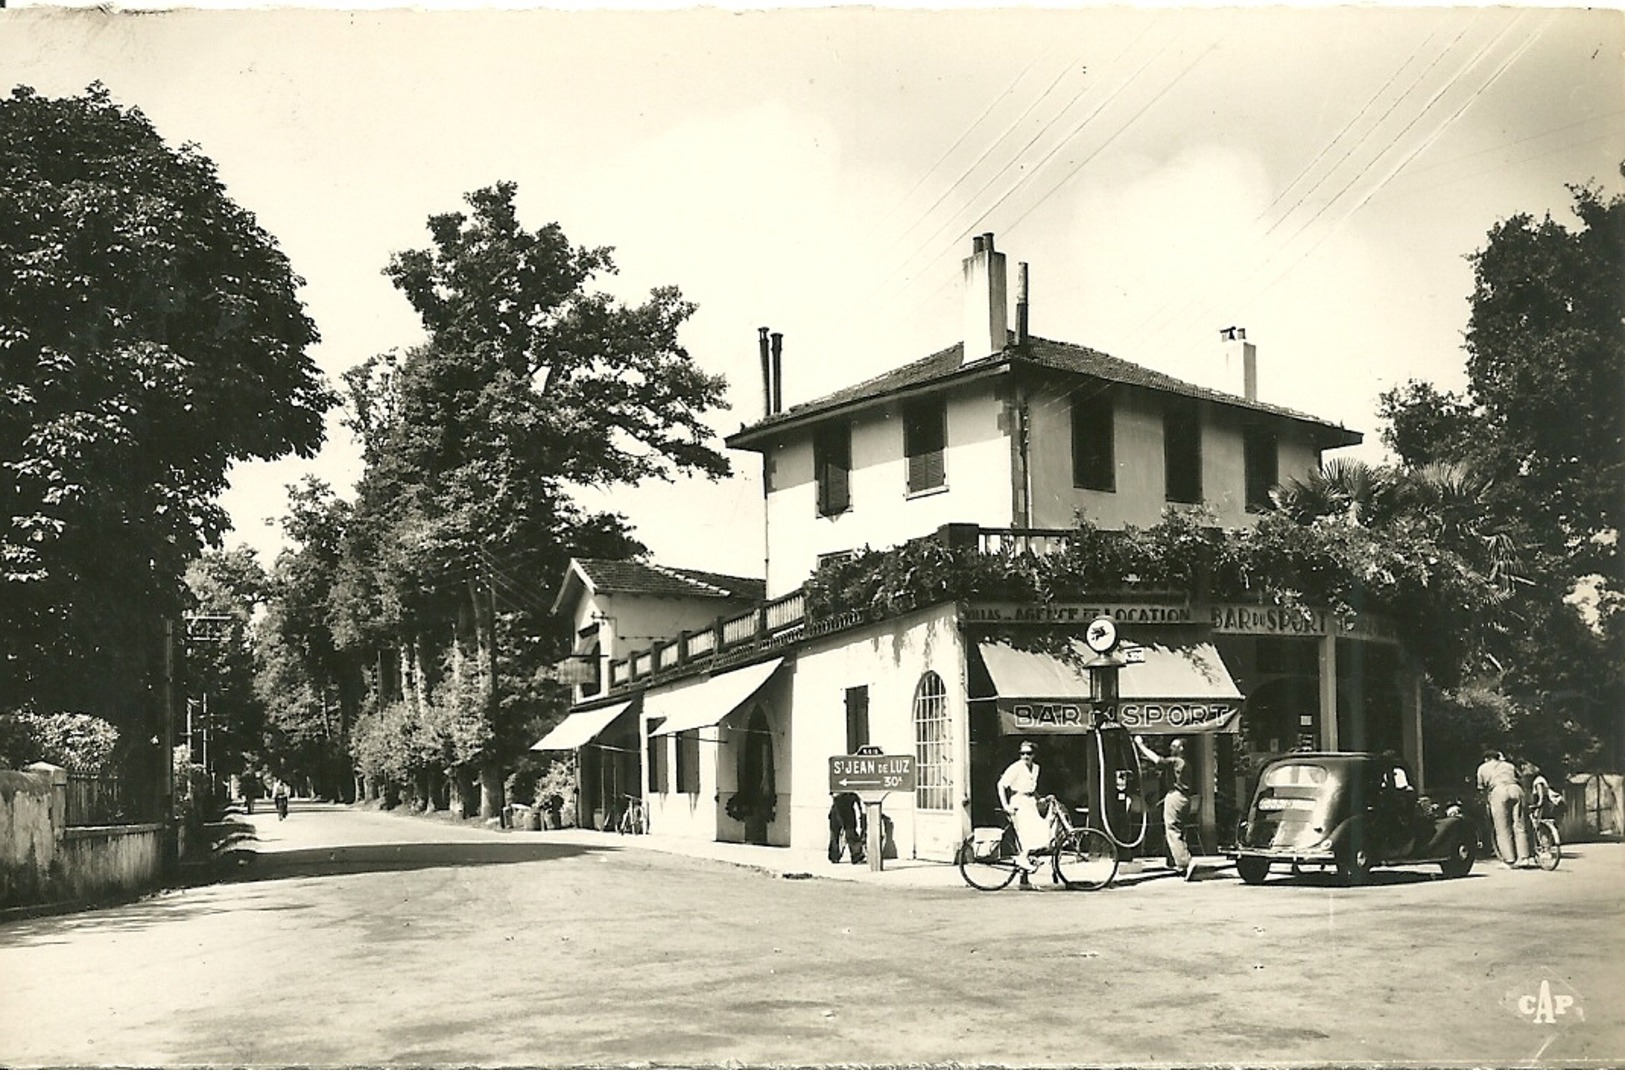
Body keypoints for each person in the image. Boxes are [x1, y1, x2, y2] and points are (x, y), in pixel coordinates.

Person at [1134, 736, 1199, 881]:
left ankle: (1186, 862)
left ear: (1181, 748)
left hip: (1176, 796)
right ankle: (1176, 862)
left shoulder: (1176, 761)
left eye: (1175, 746)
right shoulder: (1187, 764)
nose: (1171, 749)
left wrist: (1141, 746)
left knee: (1172, 830)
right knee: (1179, 830)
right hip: (1184, 798)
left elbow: (1157, 760)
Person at [997, 740, 1054, 874]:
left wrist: (1041, 798)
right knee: (1026, 834)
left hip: (1031, 802)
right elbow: (1001, 785)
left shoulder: (1036, 768)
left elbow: (1031, 788)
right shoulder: (1016, 767)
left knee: (1042, 829)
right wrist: (1005, 806)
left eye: (1028, 753)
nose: (1025, 756)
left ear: (1034, 755)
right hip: (1018, 802)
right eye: (1022, 753)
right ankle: (1023, 858)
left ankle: (1027, 869)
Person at [1476, 750, 1532, 868]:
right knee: (1520, 825)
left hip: (1498, 791)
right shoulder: (1509, 765)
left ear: (1486, 758)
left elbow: (1481, 788)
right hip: (1516, 789)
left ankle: (1509, 859)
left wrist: (1486, 802)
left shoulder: (1482, 768)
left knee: (1502, 828)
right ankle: (1524, 858)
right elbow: (1520, 778)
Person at [827, 791, 865, 865]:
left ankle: (834, 855)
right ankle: (855, 854)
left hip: (839, 802)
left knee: (836, 831)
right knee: (849, 829)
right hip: (845, 803)